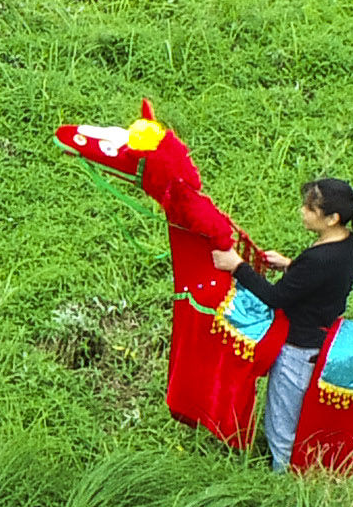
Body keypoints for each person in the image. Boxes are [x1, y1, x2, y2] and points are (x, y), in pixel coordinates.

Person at [54, 108, 261, 450]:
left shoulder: (184, 202)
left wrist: (231, 256)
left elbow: (220, 233)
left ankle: (229, 430)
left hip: (209, 292)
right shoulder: (181, 194)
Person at [233, 177, 353, 470]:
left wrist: (237, 266)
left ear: (332, 218)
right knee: (295, 418)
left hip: (298, 350)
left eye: (310, 208)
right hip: (318, 338)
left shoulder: (320, 259)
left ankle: (283, 487)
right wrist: (290, 265)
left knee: (281, 431)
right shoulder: (345, 244)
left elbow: (276, 297)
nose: (302, 211)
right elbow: (319, 279)